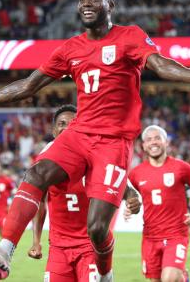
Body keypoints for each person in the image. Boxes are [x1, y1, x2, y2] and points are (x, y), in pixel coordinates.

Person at [0, 0, 190, 281]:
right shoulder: (70, 48)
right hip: (79, 133)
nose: (86, 3)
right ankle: (4, 252)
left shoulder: (129, 37)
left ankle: (105, 274)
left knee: (97, 229)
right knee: (36, 174)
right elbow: (28, 85)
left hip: (114, 142)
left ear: (110, 5)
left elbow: (160, 64)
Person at [26, 105, 142, 281]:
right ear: (53, 129)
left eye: (72, 123)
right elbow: (40, 202)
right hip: (58, 247)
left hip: (90, 247)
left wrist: (133, 199)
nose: (66, 127)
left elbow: (124, 188)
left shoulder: (95, 157)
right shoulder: (46, 161)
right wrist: (36, 241)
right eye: (61, 123)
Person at [125, 125, 190, 282]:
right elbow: (130, 196)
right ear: (143, 146)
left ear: (166, 142)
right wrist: (130, 207)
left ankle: (180, 276)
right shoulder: (136, 173)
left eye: (157, 138)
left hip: (176, 234)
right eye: (148, 139)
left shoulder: (181, 167)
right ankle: (183, 278)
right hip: (150, 237)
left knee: (169, 279)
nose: (153, 142)